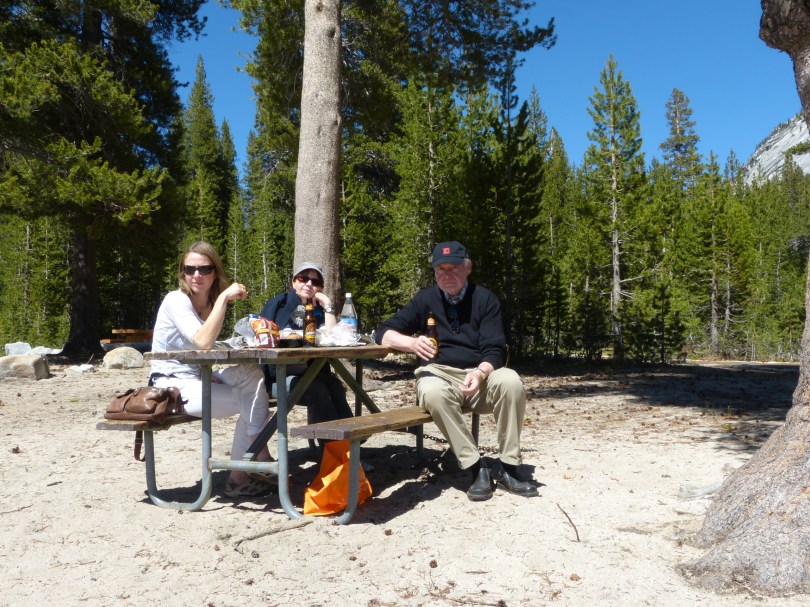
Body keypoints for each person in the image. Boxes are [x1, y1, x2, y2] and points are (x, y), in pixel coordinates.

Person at [375, 241, 538, 501]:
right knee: (431, 390)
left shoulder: (485, 299)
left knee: (510, 380)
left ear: (468, 267)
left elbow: (495, 350)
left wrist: (481, 373)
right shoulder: (424, 299)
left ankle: (509, 468)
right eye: (441, 268)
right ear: (434, 271)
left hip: (479, 376)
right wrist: (411, 343)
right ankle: (475, 467)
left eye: (454, 267)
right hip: (438, 374)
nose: (448, 274)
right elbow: (382, 332)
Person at [149, 241, 274, 498]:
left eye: (204, 269)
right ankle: (252, 462)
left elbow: (207, 346)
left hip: (198, 377)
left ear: (214, 272)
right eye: (190, 269)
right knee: (250, 402)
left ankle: (249, 463)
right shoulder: (176, 300)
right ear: (182, 273)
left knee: (252, 375)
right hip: (171, 388)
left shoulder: (207, 305)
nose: (197, 275)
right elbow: (203, 341)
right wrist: (224, 298)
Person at [259, 262, 353, 426]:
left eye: (315, 282)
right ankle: (330, 445)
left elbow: (330, 338)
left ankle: (349, 440)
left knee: (335, 385)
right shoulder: (279, 304)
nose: (309, 284)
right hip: (277, 378)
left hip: (307, 373)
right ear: (294, 281)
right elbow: (263, 336)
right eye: (303, 278)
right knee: (317, 389)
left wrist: (328, 305)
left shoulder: (317, 311)